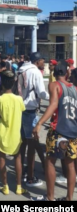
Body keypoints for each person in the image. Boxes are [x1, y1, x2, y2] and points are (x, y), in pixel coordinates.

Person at [31, 61, 77, 201]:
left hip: (58, 129)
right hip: (73, 130)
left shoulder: (54, 85)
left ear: (54, 73)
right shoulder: (75, 88)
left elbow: (54, 104)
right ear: (67, 73)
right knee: (70, 163)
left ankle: (50, 198)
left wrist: (40, 123)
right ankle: (69, 198)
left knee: (50, 161)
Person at [0, 70, 27, 195]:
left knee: (2, 158)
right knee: (17, 157)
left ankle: (5, 186)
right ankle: (18, 186)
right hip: (15, 132)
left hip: (1, 131)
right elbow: (22, 110)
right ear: (13, 83)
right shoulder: (19, 99)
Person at [18, 52, 49, 187]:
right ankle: (30, 177)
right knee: (32, 144)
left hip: (20, 108)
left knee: (24, 143)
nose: (44, 63)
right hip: (30, 110)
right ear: (38, 61)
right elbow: (41, 92)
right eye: (43, 60)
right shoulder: (35, 72)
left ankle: (24, 171)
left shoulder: (21, 69)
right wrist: (53, 97)